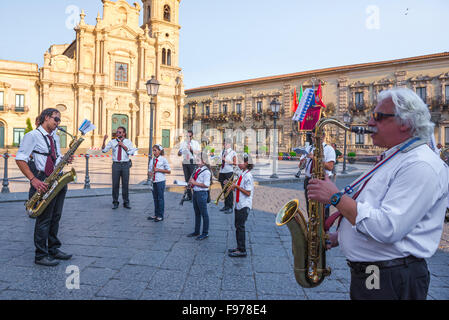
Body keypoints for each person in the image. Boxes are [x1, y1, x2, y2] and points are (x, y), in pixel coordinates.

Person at [307, 87, 449, 300]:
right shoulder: (397, 157)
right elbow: (375, 207)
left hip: (389, 276)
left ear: (405, 122)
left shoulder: (420, 165)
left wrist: (335, 197)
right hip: (379, 273)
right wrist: (342, 236)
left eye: (378, 117)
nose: (369, 123)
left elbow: (387, 227)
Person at [16, 108, 73, 266]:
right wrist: (33, 179)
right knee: (44, 219)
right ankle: (40, 255)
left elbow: (56, 156)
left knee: (56, 216)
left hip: (57, 178)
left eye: (59, 120)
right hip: (42, 179)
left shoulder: (54, 136)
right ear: (46, 117)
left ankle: (53, 248)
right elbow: (20, 158)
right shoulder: (32, 136)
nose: (58, 123)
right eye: (56, 119)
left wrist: (65, 159)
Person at [302, 133, 336, 219]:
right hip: (309, 180)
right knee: (309, 207)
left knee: (322, 208)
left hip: (322, 180)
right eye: (312, 137)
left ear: (323, 136)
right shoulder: (308, 148)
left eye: (315, 137)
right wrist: (303, 162)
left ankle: (323, 230)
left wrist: (314, 158)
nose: (313, 139)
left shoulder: (329, 149)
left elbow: (330, 167)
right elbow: (300, 166)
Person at [102, 127, 136, 209]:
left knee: (125, 184)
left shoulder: (128, 142)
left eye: (120, 132)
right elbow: (104, 150)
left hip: (125, 165)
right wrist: (103, 141)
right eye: (117, 132)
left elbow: (131, 152)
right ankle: (115, 202)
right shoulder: (112, 142)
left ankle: (126, 202)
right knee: (115, 184)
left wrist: (123, 145)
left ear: (124, 133)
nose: (118, 133)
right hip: (116, 165)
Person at [228, 153, 254, 257]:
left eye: (241, 162)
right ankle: (239, 247)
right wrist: (232, 186)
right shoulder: (242, 173)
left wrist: (236, 187)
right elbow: (238, 187)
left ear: (246, 163)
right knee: (237, 226)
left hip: (244, 204)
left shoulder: (248, 176)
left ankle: (242, 250)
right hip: (238, 204)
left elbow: (248, 192)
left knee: (240, 227)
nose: (238, 163)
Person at [187, 151, 212, 240]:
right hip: (196, 192)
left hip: (202, 194)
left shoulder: (206, 172)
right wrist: (191, 184)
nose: (196, 162)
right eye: (196, 160)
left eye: (198, 160)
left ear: (204, 161)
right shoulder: (197, 169)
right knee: (197, 213)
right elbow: (194, 180)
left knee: (204, 214)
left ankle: (205, 233)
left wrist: (195, 182)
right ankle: (196, 231)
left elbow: (206, 185)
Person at [148, 144, 171, 222]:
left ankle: (160, 215)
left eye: (155, 150)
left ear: (159, 151)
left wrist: (158, 170)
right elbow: (150, 169)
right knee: (155, 198)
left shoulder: (163, 160)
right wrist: (150, 173)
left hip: (160, 181)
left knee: (160, 198)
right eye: (153, 150)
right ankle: (156, 214)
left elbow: (169, 171)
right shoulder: (152, 159)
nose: (154, 152)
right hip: (153, 181)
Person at [178, 130, 201, 202]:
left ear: (192, 136)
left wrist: (191, 149)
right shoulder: (183, 143)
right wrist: (179, 152)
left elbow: (198, 152)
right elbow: (179, 153)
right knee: (187, 179)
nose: (188, 137)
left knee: (193, 179)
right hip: (185, 161)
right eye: (187, 136)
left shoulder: (196, 143)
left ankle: (195, 196)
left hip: (192, 161)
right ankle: (189, 196)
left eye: (190, 136)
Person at [218, 139, 237, 214]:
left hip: (229, 172)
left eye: (226, 143)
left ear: (229, 144)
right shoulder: (222, 151)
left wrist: (225, 160)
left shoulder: (233, 152)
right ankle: (226, 205)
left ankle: (230, 207)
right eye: (224, 143)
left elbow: (235, 163)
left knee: (229, 190)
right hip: (222, 172)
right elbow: (220, 160)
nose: (224, 145)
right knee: (224, 190)